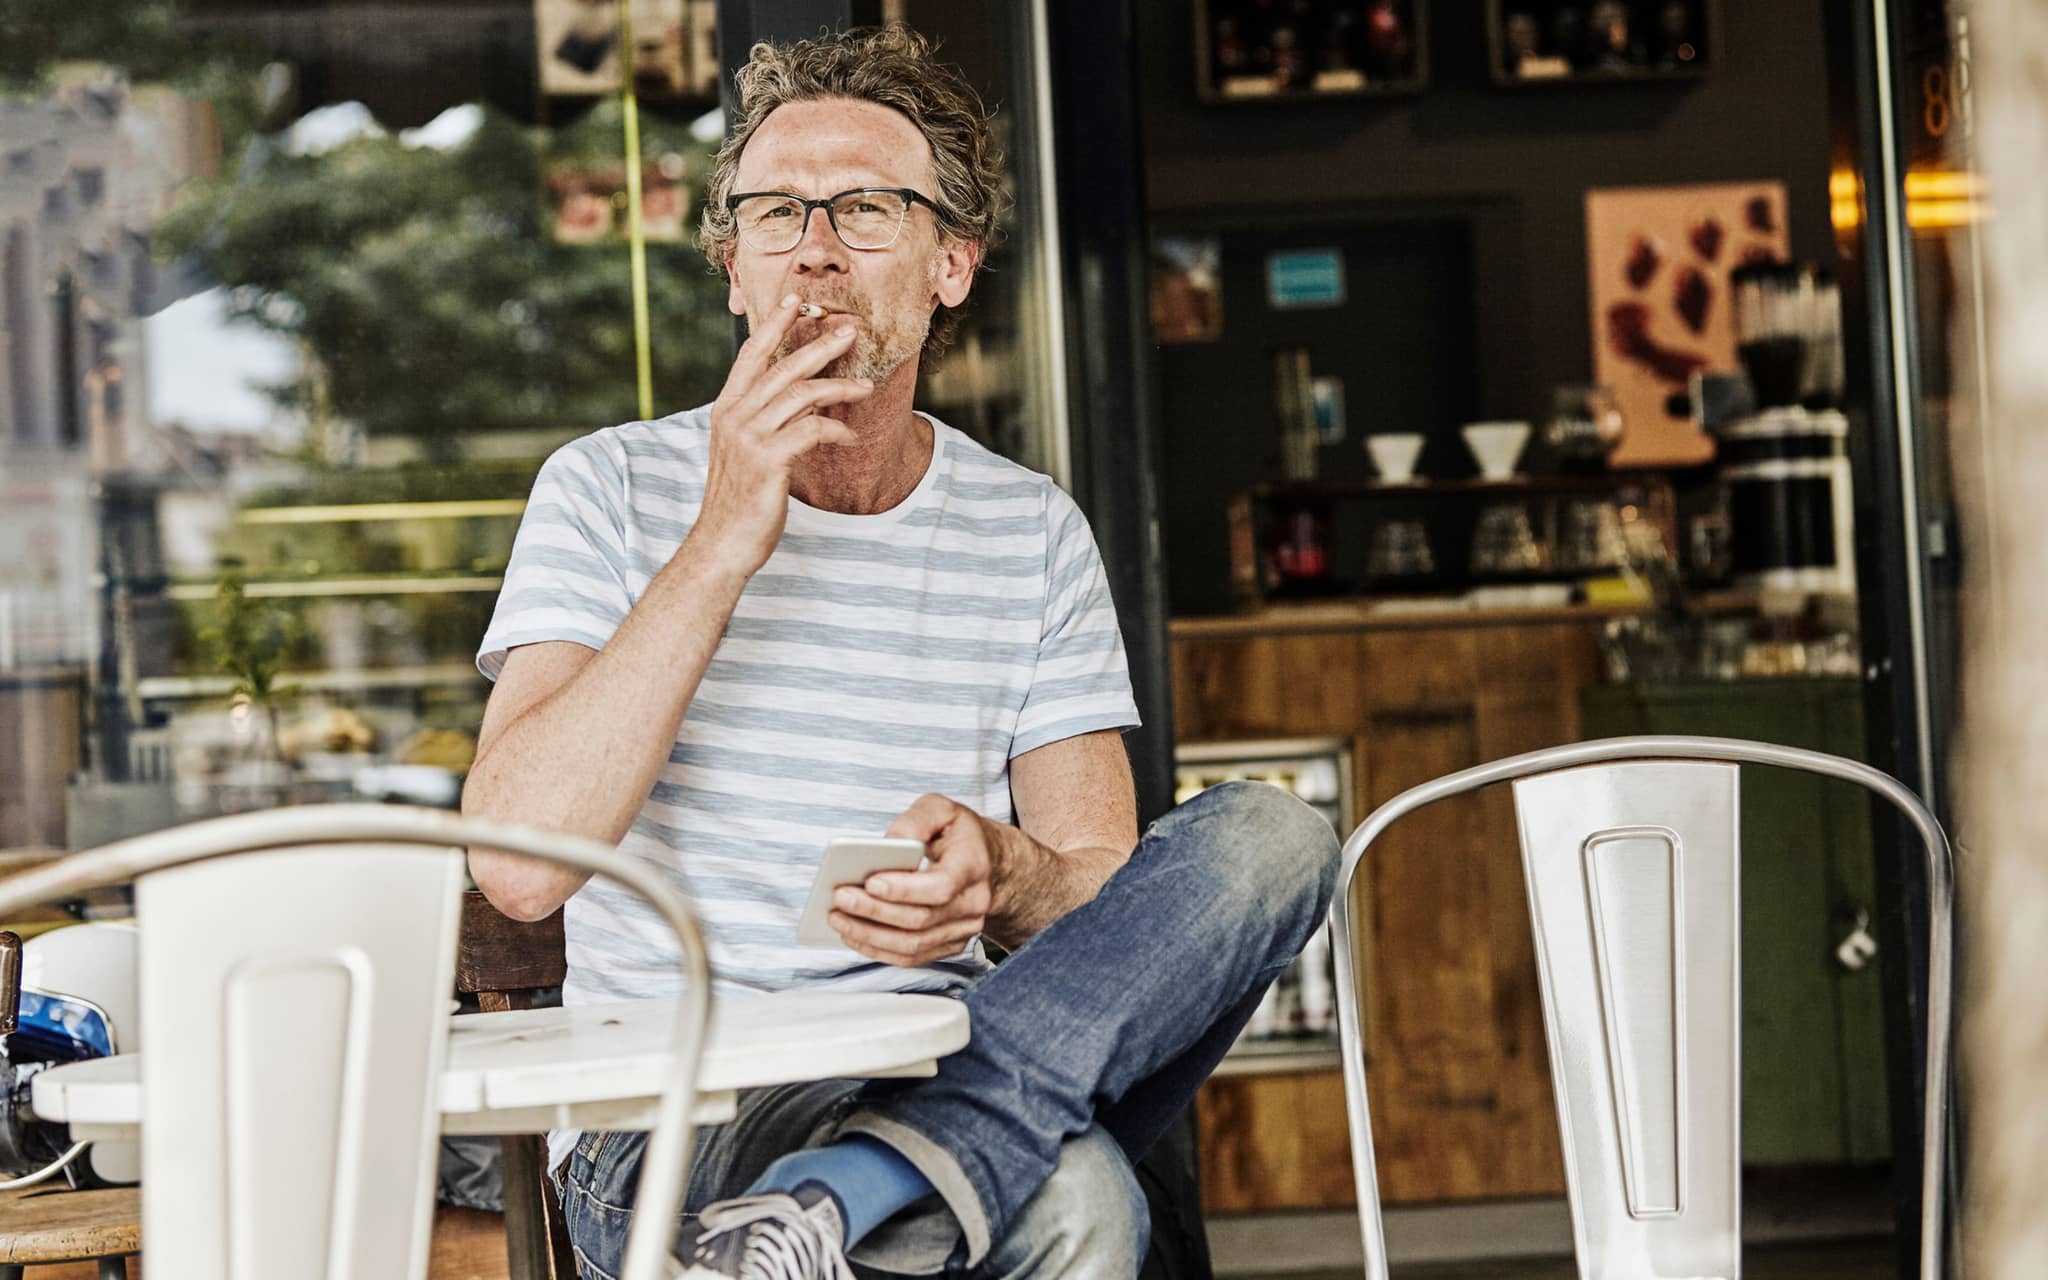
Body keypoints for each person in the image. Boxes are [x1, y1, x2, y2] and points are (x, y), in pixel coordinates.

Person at [463, 25, 1339, 1280]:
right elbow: (515, 869)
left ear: (952, 265)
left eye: (865, 208)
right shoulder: (605, 488)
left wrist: (1003, 873)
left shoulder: (1027, 526)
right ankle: (868, 1178)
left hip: (944, 1049)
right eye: (774, 213)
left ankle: (855, 1183)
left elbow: (1096, 895)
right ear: (732, 273)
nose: (813, 246)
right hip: (675, 1112)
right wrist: (721, 537)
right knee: (1079, 1198)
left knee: (1274, 836)